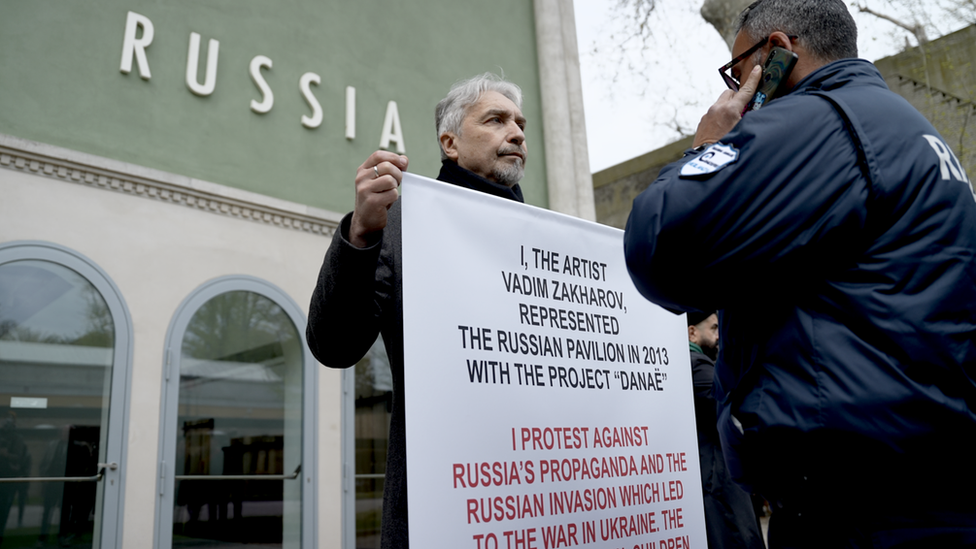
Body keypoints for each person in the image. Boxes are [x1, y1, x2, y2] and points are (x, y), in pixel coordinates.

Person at [623, 0, 976, 546]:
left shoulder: (816, 121)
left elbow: (662, 248)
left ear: (778, 53)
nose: (737, 88)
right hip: (928, 484)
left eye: (738, 71)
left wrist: (708, 148)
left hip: (856, 508)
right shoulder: (909, 130)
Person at [306, 73, 528, 548]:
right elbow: (333, 344)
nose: (516, 132)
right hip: (442, 506)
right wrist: (362, 235)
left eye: (519, 122)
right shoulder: (401, 228)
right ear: (450, 142)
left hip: (538, 498)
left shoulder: (545, 241)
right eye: (496, 119)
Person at [687, 312, 765, 549]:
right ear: (692, 332)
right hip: (718, 485)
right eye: (713, 329)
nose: (720, 336)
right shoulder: (696, 364)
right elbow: (730, 405)